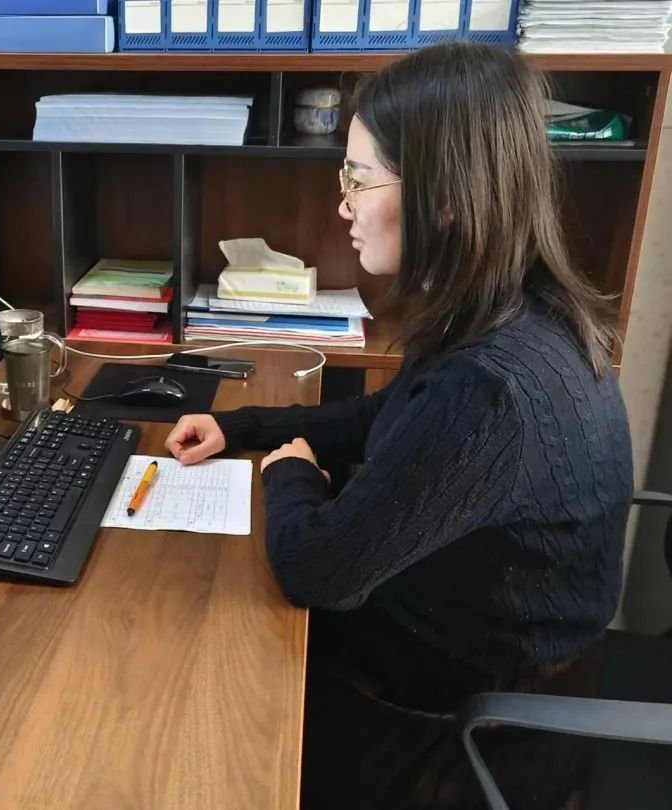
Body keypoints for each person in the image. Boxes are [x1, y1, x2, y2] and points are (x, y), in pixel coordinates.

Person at [165, 43, 632, 809]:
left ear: (444, 197)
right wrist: (244, 425)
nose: (343, 205)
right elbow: (387, 418)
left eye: (358, 178)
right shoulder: (514, 313)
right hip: (472, 647)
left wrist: (291, 473)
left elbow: (318, 571)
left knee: (200, 700)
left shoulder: (488, 391)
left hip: (471, 723)